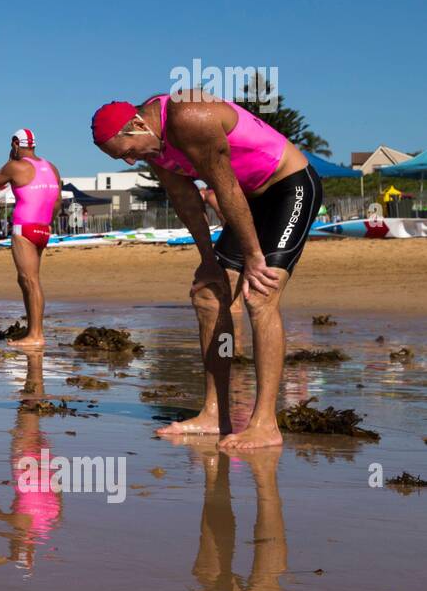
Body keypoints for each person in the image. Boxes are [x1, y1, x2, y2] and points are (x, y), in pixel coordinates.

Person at [91, 91, 322, 450]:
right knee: (208, 296)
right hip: (248, 201)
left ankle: (265, 423)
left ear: (137, 125)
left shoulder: (188, 118)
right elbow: (185, 198)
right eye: (125, 159)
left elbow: (224, 185)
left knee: (260, 294)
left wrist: (254, 257)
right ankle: (216, 413)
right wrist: (208, 261)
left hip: (287, 188)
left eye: (129, 153)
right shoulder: (152, 142)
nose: (133, 161)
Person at [0, 129, 61, 348]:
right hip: (44, 228)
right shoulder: (51, 167)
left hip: (24, 228)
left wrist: (9, 159)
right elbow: (57, 203)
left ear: (16, 143)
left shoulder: (14, 166)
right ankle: (32, 330)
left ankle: (36, 334)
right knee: (27, 280)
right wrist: (47, 222)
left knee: (30, 280)